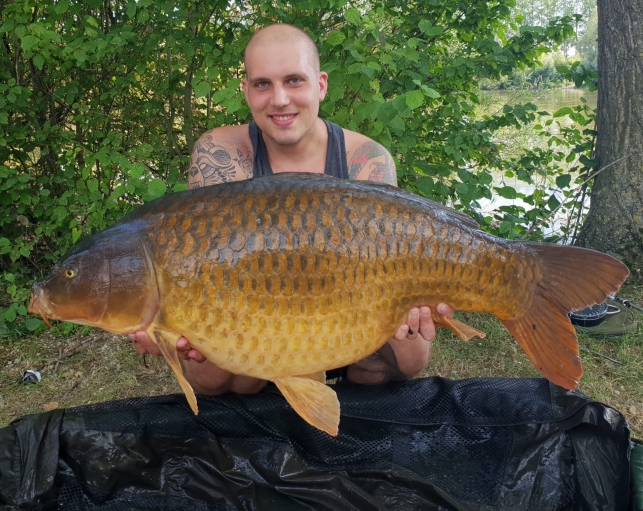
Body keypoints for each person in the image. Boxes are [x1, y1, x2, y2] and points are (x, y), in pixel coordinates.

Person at [128, 23, 454, 395]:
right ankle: (278, 399)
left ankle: (350, 408)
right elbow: (204, 268)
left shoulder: (367, 159)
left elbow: (390, 257)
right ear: (247, 91)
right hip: (261, 318)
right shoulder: (221, 154)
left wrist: (413, 298)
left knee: (409, 354)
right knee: (214, 375)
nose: (279, 99)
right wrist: (166, 325)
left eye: (294, 80)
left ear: (321, 85)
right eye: (263, 84)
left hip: (351, 313)